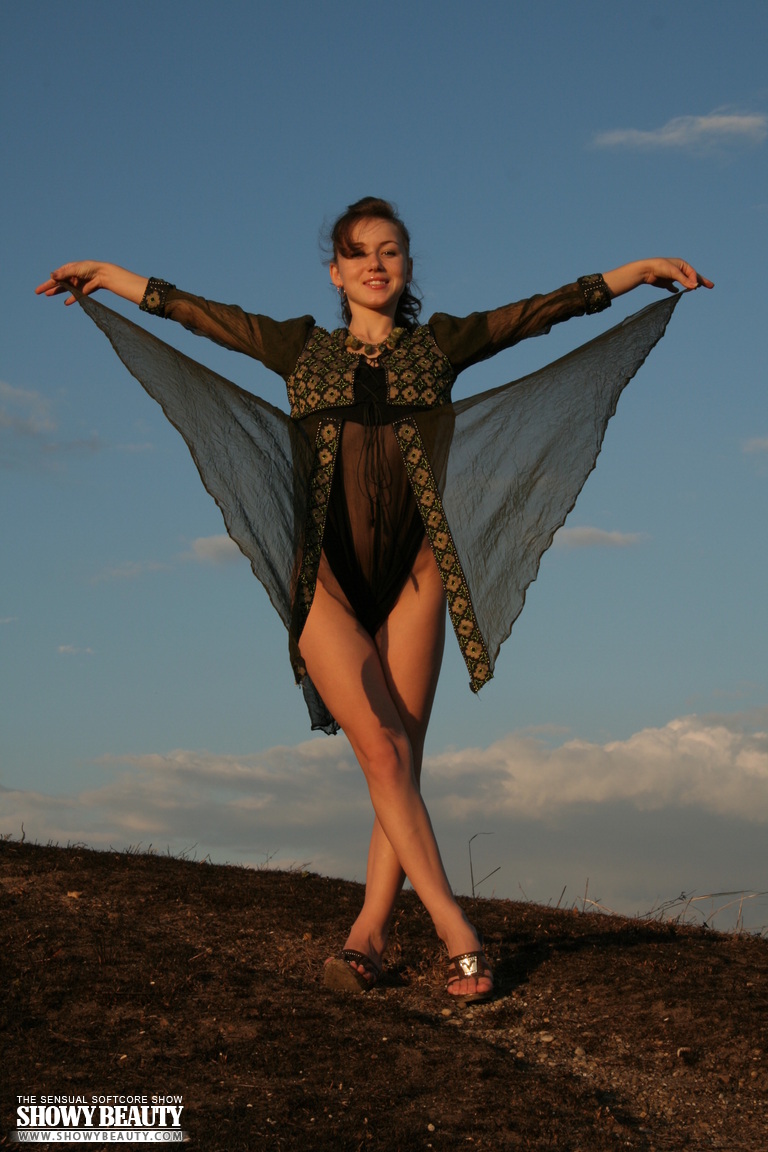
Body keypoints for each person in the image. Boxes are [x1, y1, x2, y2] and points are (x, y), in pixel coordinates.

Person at [36, 196, 713, 1003]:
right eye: (358, 253)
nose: (375, 264)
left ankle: (370, 936)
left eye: (389, 250)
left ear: (408, 265)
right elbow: (195, 314)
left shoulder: (441, 346)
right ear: (336, 271)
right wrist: (106, 275)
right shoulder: (298, 350)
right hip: (325, 579)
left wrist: (637, 273)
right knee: (384, 754)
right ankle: (457, 931)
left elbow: (542, 312)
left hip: (416, 576)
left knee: (400, 761)